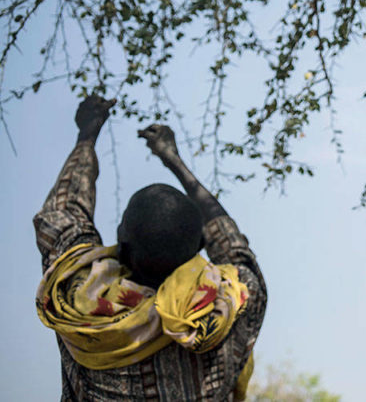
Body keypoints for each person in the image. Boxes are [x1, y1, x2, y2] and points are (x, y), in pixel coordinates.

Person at [34, 96, 267, 401]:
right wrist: (175, 161)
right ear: (200, 245)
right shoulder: (232, 302)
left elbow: (62, 215)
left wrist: (87, 135)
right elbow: (232, 244)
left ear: (122, 243)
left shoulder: (76, 300)